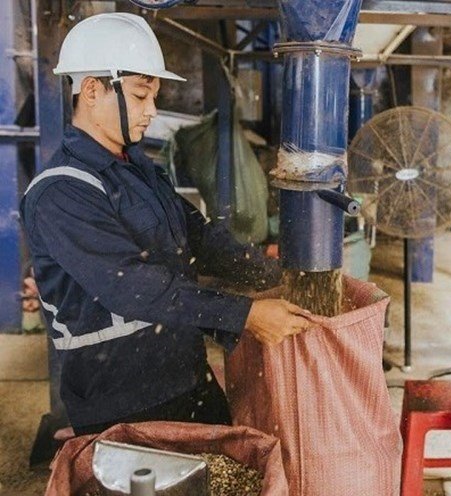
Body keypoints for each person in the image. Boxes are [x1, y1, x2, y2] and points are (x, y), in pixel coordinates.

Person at [19, 13, 311, 436]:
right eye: (140, 96)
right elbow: (131, 286)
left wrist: (277, 276)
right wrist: (246, 314)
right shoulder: (61, 192)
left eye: (153, 96)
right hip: (120, 400)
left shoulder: (139, 170)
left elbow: (200, 239)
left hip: (185, 374)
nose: (151, 111)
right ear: (93, 90)